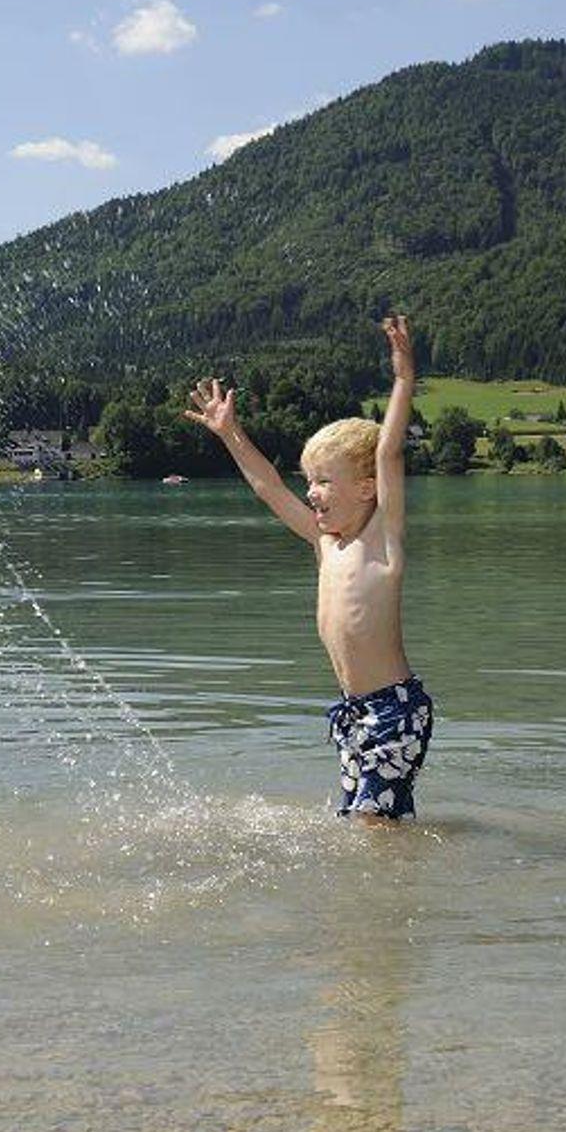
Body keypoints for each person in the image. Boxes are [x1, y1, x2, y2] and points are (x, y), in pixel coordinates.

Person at [183, 315, 433, 820]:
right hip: (353, 714)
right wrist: (230, 433)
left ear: (366, 488)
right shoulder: (325, 544)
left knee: (370, 823)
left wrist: (404, 378)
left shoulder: (381, 539)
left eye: (322, 481)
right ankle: (409, 867)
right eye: (309, 481)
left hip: (394, 710)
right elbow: (269, 487)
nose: (311, 492)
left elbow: (388, 452)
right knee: (369, 821)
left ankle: (399, 870)